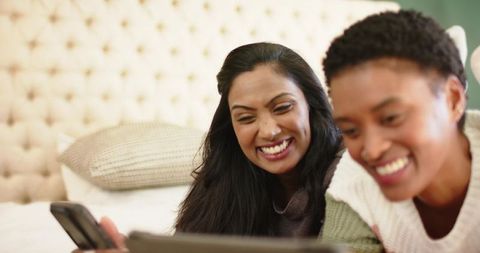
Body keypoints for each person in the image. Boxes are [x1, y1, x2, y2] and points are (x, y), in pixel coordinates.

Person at [82, 42, 343, 252]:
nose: (268, 131)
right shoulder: (226, 181)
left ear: (312, 105)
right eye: (246, 118)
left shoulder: (347, 171)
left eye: (283, 107)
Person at [320, 10, 479, 252]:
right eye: (351, 130)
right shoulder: (353, 184)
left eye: (392, 118)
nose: (372, 150)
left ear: (453, 100)